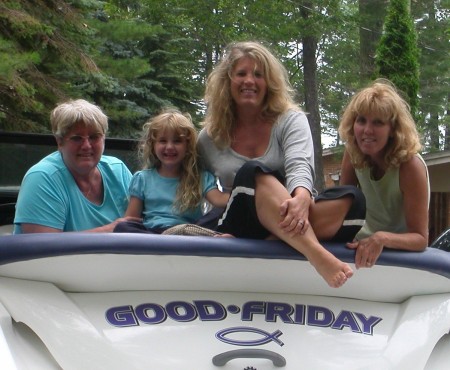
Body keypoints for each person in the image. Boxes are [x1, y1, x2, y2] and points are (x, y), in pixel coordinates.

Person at [197, 41, 366, 288]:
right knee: (253, 172)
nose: (249, 81)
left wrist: (301, 197)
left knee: (354, 199)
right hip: (240, 219)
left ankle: (276, 235)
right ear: (227, 81)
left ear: (269, 83)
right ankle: (315, 254)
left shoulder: (290, 119)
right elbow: (190, 180)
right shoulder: (209, 137)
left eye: (258, 74)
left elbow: (300, 164)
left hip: (291, 212)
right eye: (241, 74)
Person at [338, 79, 429, 269]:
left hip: (397, 257)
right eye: (361, 120)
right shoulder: (353, 152)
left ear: (393, 131)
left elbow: (420, 238)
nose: (367, 130)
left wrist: (381, 238)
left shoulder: (410, 166)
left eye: (378, 122)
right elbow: (341, 209)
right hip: (357, 247)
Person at [13, 99, 138, 233]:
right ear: (60, 142)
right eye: (77, 138)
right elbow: (42, 247)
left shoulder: (117, 170)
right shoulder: (42, 178)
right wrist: (112, 230)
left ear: (104, 139)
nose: (86, 146)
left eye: (94, 137)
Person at [114, 109, 229, 234]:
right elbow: (132, 218)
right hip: (152, 233)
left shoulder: (200, 177)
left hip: (188, 233)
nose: (169, 147)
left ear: (187, 146)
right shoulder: (142, 178)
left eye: (177, 141)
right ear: (153, 145)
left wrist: (246, 194)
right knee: (123, 226)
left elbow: (220, 200)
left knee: (219, 213)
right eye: (163, 141)